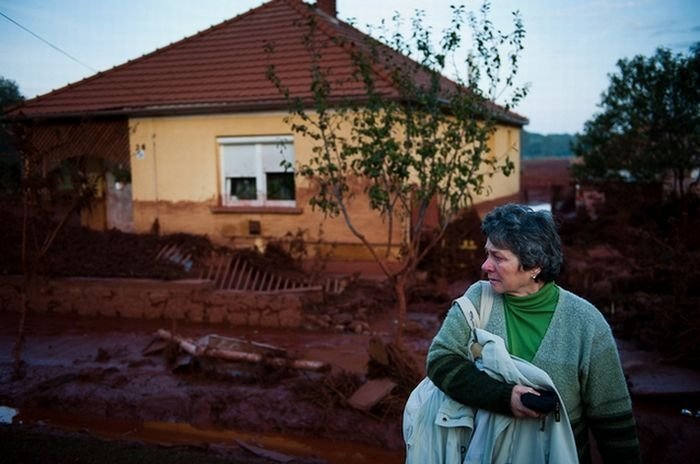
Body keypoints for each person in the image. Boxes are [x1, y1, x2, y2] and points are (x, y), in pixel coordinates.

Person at [426, 203, 641, 463]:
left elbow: (613, 420)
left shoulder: (586, 323)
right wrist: (504, 398)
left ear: (534, 265)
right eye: (487, 254)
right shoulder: (477, 300)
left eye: (499, 257)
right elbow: (440, 359)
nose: (486, 265)